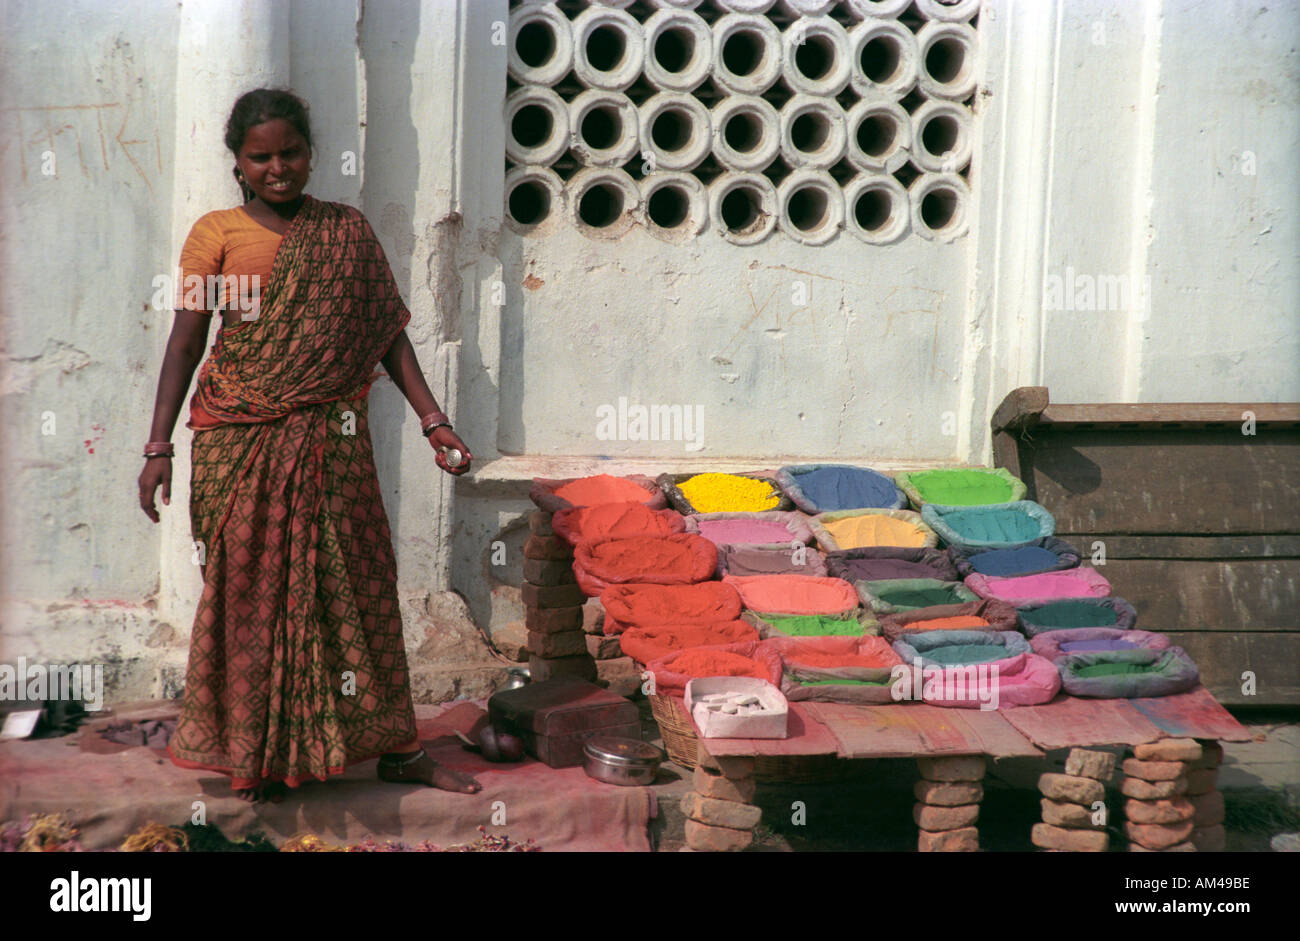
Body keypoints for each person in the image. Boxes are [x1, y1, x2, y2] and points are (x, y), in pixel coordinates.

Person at [138, 88, 480, 802]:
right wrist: (156, 447)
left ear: (311, 151)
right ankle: (259, 752)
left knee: (360, 588)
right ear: (238, 161)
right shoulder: (216, 234)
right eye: (261, 156)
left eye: (290, 152)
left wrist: (432, 419)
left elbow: (387, 331)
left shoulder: (346, 231)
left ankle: (400, 748)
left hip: (332, 441)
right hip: (238, 441)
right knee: (250, 598)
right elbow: (185, 340)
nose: (278, 167)